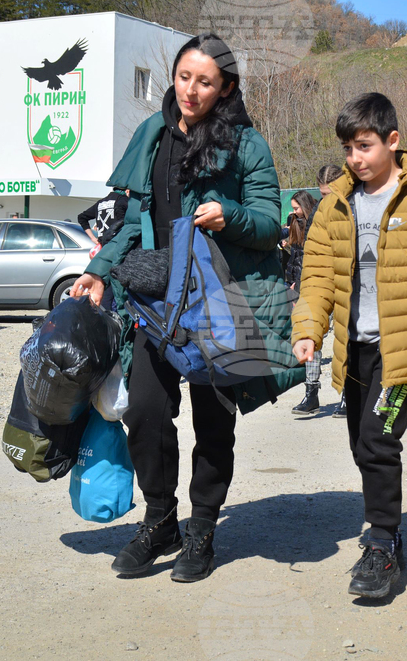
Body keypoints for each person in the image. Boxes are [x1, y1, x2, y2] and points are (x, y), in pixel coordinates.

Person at [69, 33, 301, 583]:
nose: (191, 90)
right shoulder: (152, 135)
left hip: (217, 301)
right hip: (156, 302)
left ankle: (202, 528)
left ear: (226, 89)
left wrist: (231, 216)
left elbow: (272, 223)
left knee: (213, 423)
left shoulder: (247, 144)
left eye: (205, 81)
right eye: (184, 77)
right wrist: (97, 273)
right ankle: (160, 519)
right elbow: (131, 222)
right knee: (145, 411)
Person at [291, 92, 407, 599]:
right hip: (355, 351)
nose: (355, 158)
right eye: (348, 148)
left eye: (365, 146)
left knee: (377, 440)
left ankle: (382, 545)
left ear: (393, 141)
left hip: (403, 352)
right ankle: (388, 527)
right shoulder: (335, 204)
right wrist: (308, 330)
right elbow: (315, 280)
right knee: (361, 444)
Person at [309, 163, 347, 417]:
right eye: (322, 195)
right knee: (313, 333)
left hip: (346, 281)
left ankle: (347, 394)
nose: (326, 201)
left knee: (345, 341)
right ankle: (311, 391)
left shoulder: (352, 208)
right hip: (322, 280)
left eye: (329, 195)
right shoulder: (318, 212)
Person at [285, 190, 322, 415]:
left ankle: (349, 395)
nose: (293, 212)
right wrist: (293, 284)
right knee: (311, 338)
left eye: (296, 208)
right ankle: (311, 392)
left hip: (322, 285)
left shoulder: (319, 222)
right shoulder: (297, 224)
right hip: (303, 288)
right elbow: (296, 257)